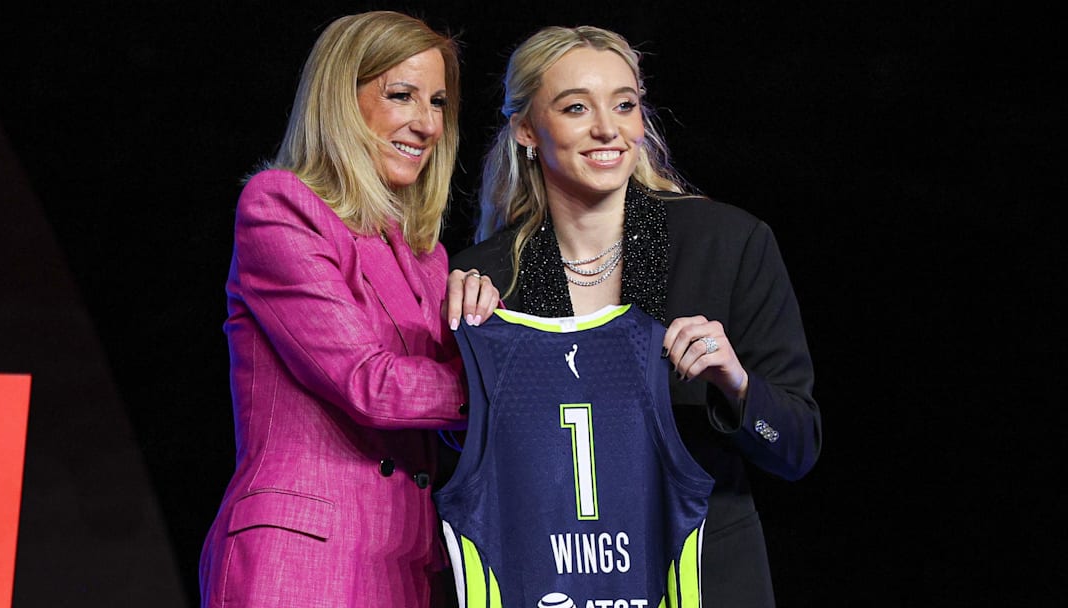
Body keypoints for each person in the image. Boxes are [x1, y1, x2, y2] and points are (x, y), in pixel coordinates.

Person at [448, 25, 821, 606]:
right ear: (526, 129)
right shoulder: (484, 279)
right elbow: (475, 472)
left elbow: (796, 447)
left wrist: (738, 386)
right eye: (576, 107)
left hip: (706, 582)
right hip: (554, 586)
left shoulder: (728, 243)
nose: (608, 129)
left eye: (625, 105)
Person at [199, 11, 497, 608]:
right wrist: (504, 384)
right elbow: (370, 384)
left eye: (438, 102)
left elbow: (447, 423)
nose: (426, 123)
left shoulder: (429, 255)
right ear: (340, 100)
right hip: (302, 560)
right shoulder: (281, 205)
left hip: (412, 566)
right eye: (401, 95)